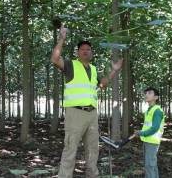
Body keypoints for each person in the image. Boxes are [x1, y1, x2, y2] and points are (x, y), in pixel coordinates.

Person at [51, 24, 123, 178]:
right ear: (78, 52)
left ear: (91, 53)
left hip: (92, 114)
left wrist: (114, 70)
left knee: (93, 149)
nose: (85, 51)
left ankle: (92, 175)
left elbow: (102, 84)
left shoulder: (94, 69)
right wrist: (62, 38)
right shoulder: (71, 65)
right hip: (75, 113)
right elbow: (55, 59)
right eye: (82, 49)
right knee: (70, 148)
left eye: (88, 49)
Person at [134, 87, 165, 178]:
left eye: (150, 93)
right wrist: (141, 132)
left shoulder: (157, 111)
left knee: (150, 165)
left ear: (156, 97)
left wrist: (141, 133)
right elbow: (148, 126)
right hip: (147, 140)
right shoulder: (149, 110)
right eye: (146, 93)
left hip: (152, 142)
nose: (146, 95)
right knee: (151, 165)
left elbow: (155, 128)